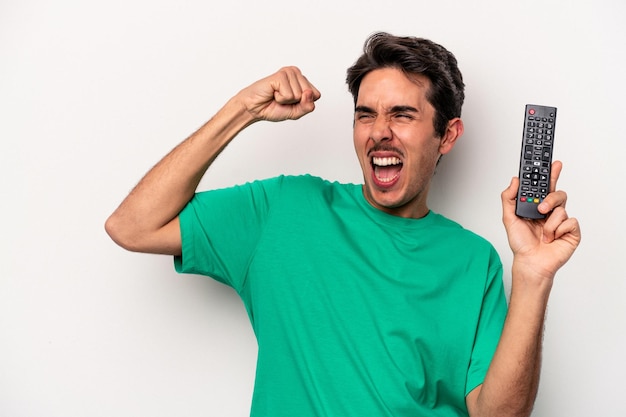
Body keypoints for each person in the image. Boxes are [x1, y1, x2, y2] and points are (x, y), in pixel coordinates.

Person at [105, 32, 581, 417]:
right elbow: (133, 226)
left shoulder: (474, 261)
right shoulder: (285, 209)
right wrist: (241, 111)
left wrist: (534, 277)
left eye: (402, 114)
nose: (379, 132)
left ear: (447, 135)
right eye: (366, 114)